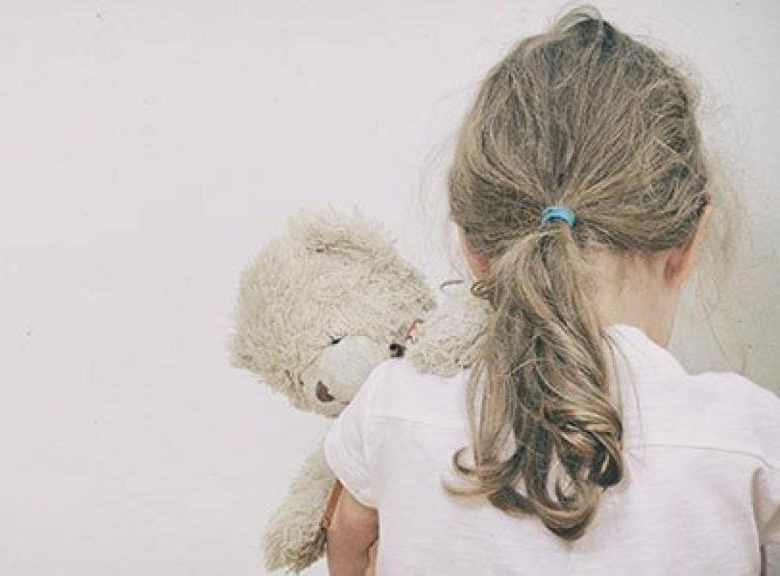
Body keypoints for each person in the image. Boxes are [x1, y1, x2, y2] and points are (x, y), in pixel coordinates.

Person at [322, 7, 780, 576]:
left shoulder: (393, 404)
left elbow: (346, 536)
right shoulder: (748, 436)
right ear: (689, 240)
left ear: (473, 246)